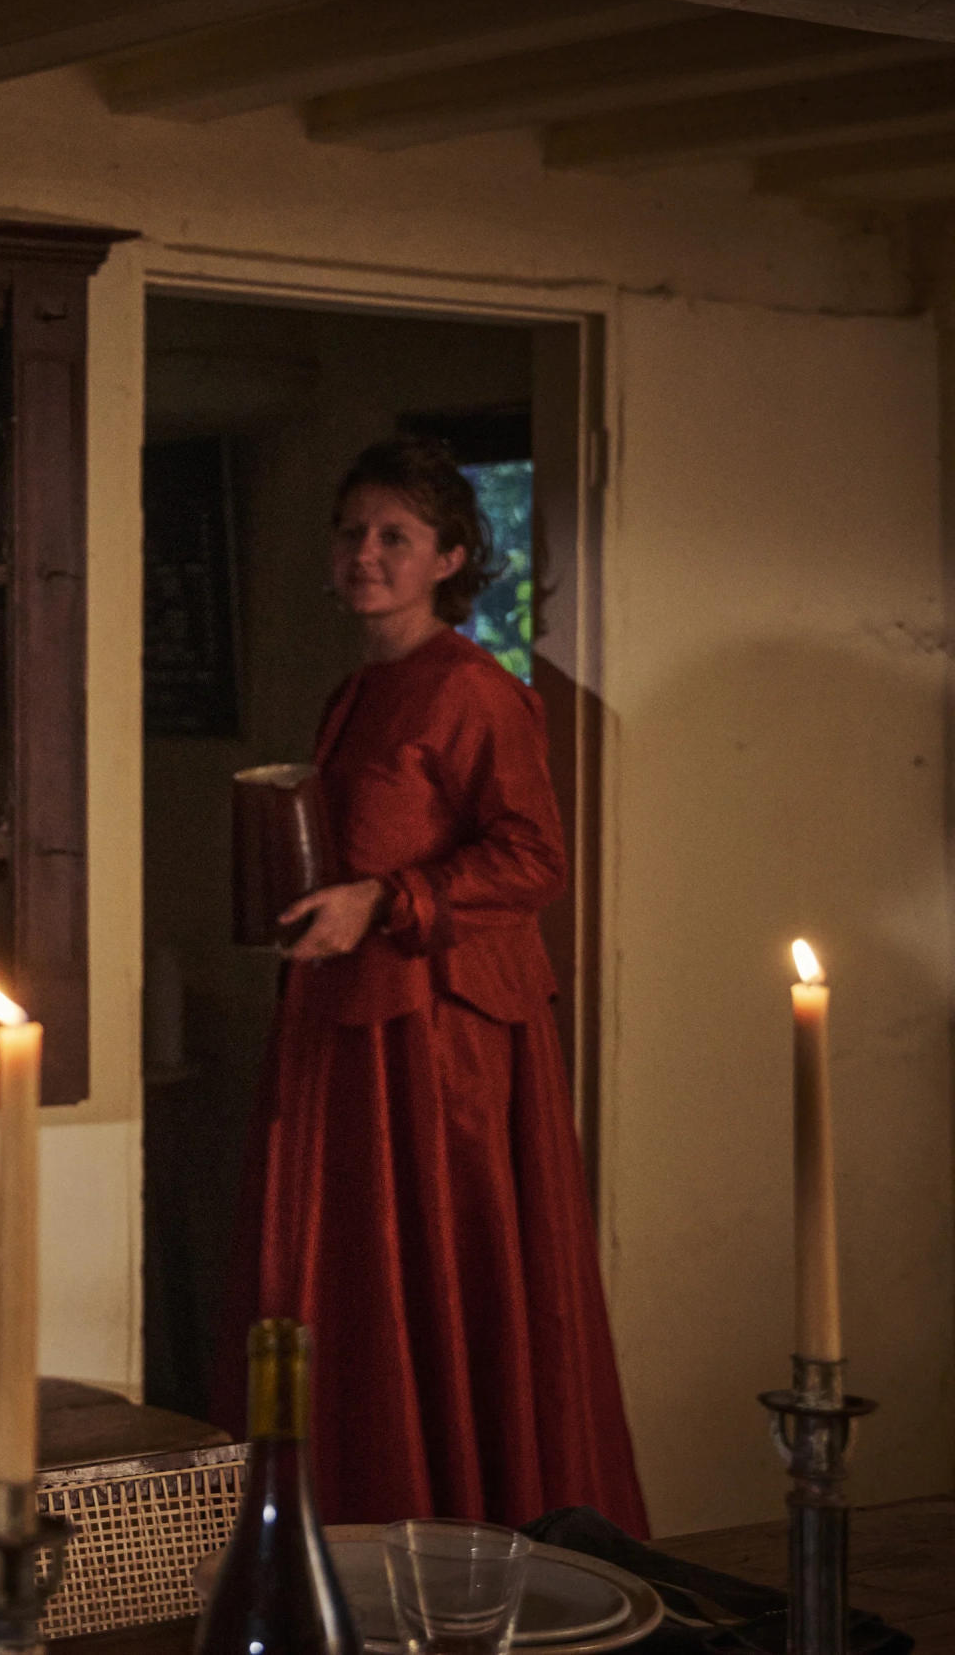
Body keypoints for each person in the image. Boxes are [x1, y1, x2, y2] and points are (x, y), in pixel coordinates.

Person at [222, 436, 649, 1535]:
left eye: (394, 538)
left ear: (449, 558)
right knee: (351, 1281)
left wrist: (386, 904)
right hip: (349, 1017)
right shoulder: (356, 688)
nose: (365, 553)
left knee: (437, 1276)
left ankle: (468, 1525)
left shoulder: (475, 689)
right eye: (352, 531)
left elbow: (534, 860)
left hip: (438, 1033)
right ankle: (351, 1531)